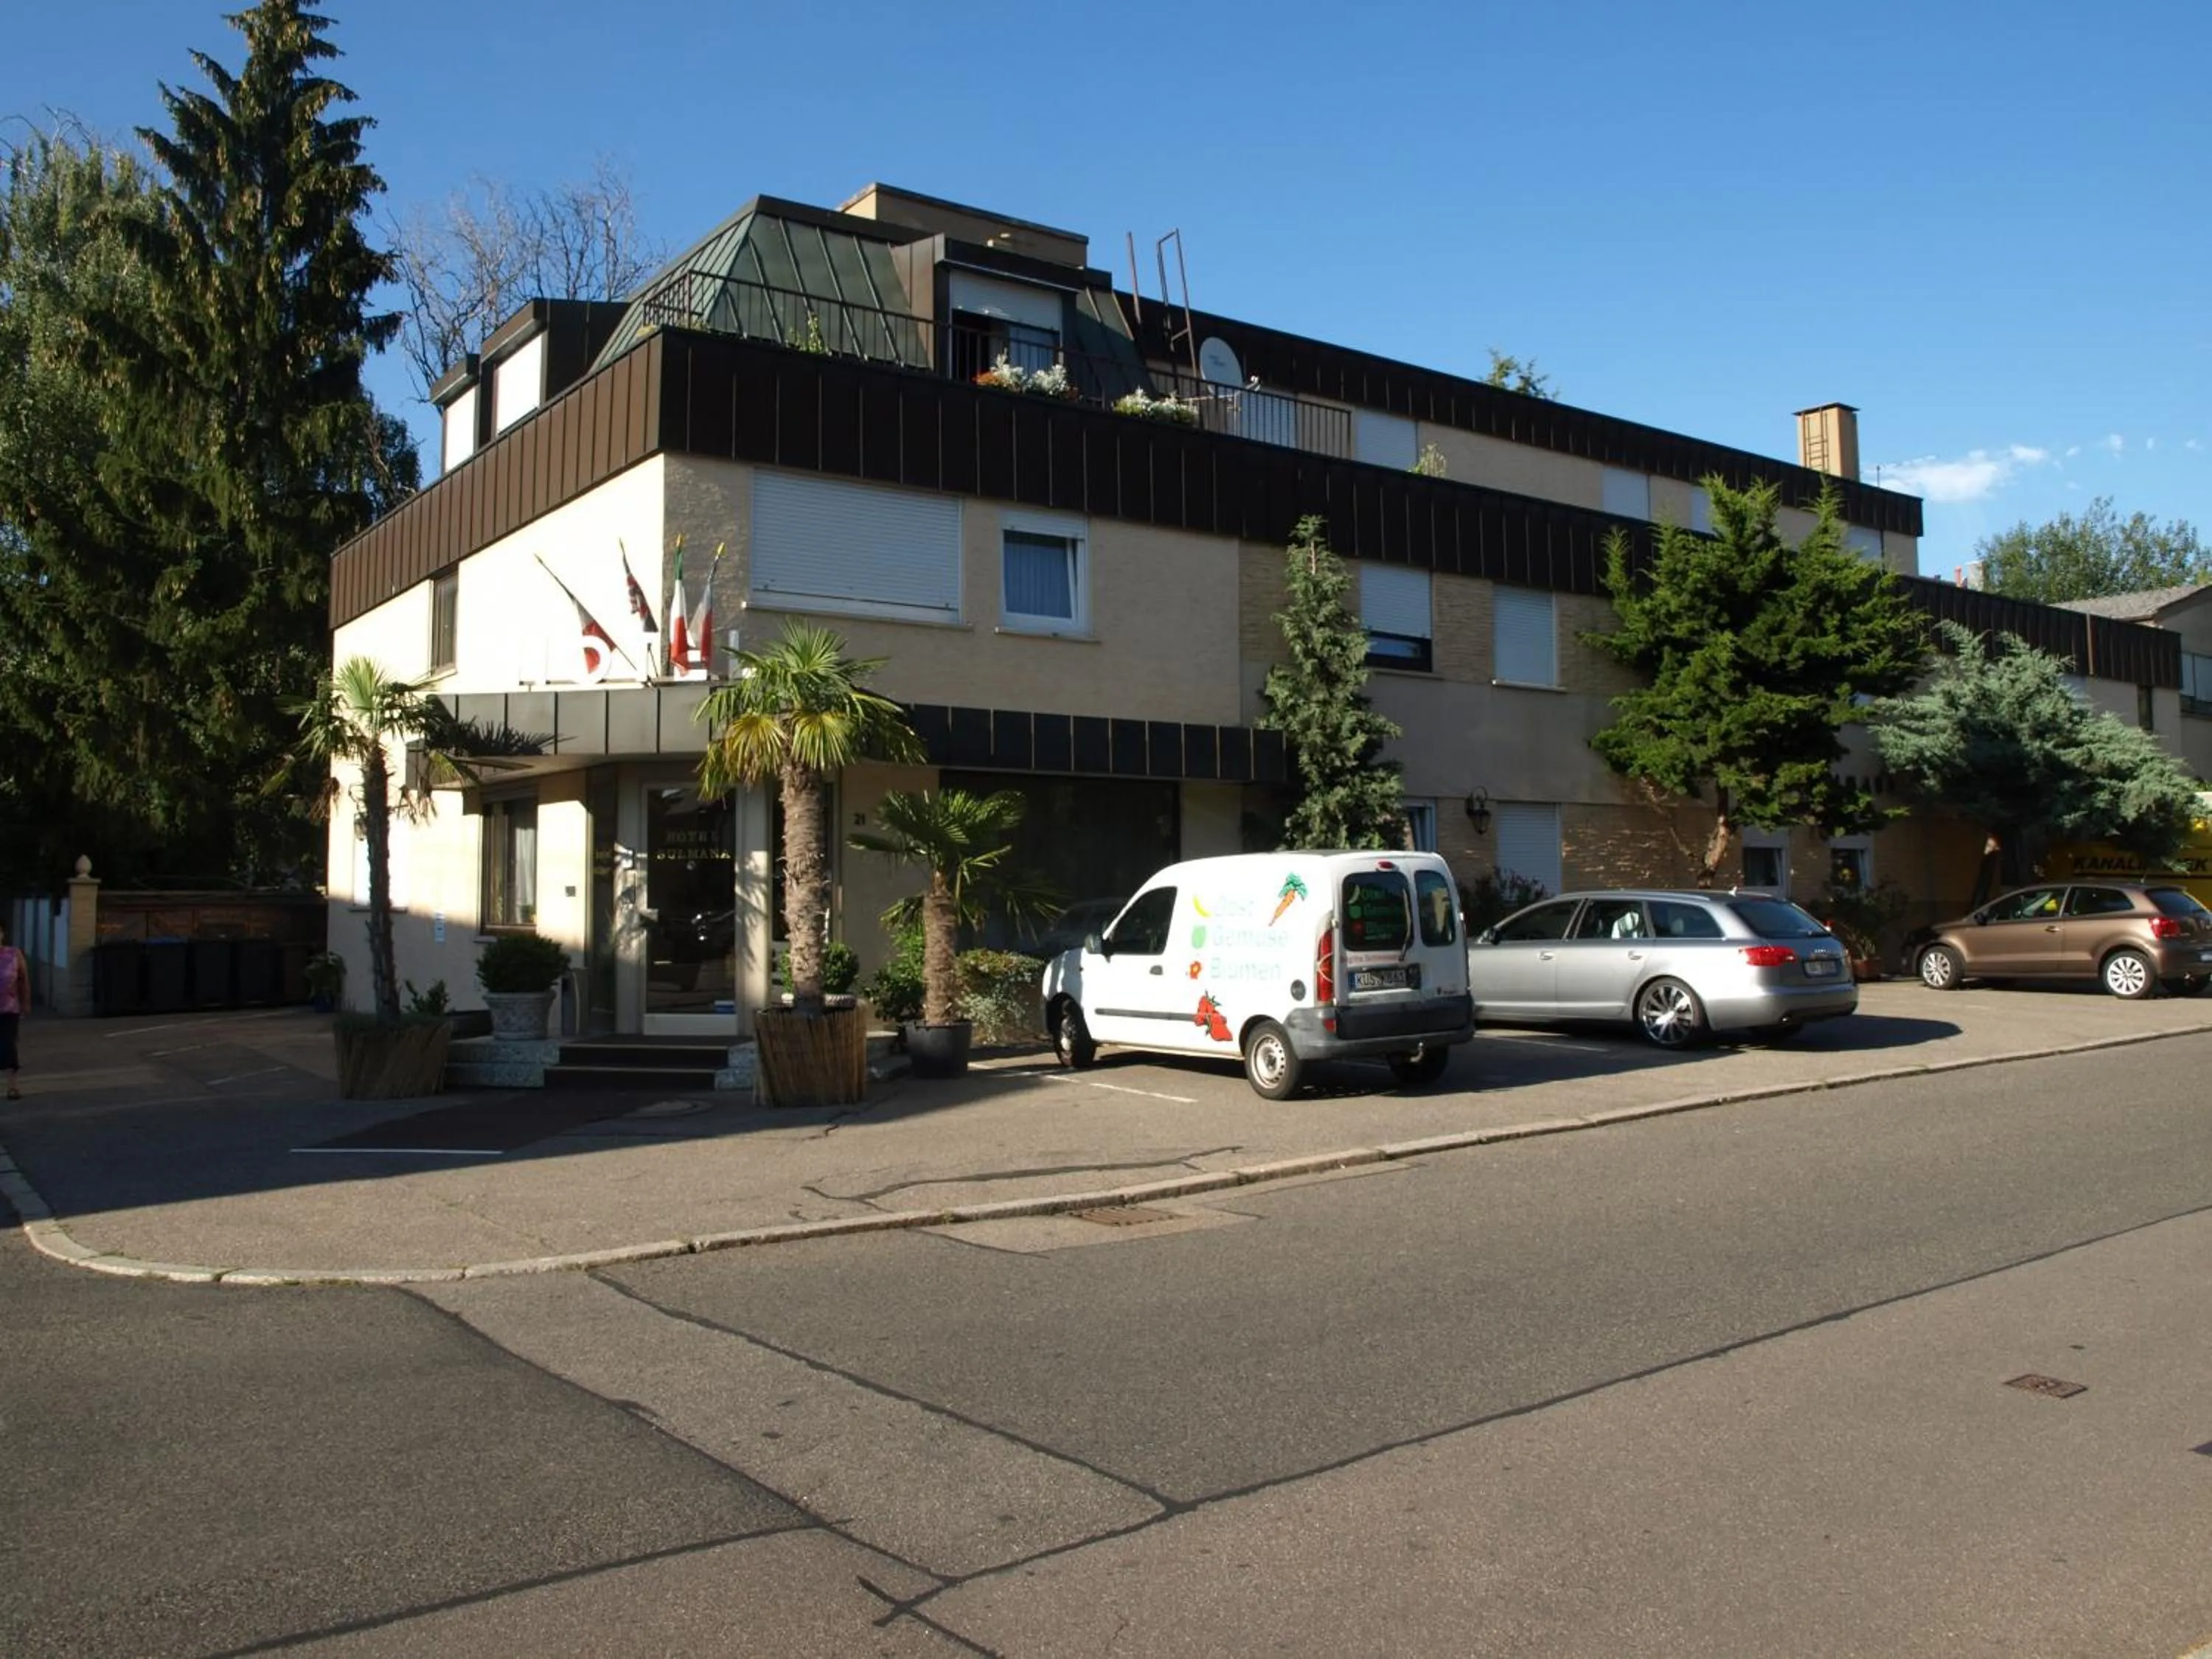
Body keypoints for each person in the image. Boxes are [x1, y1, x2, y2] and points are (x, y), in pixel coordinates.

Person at [0, 921, 25, 1099]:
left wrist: (26, 1002)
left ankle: (12, 1086)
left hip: (9, 1008)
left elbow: (23, 978)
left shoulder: (13, 954)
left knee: (9, 1045)